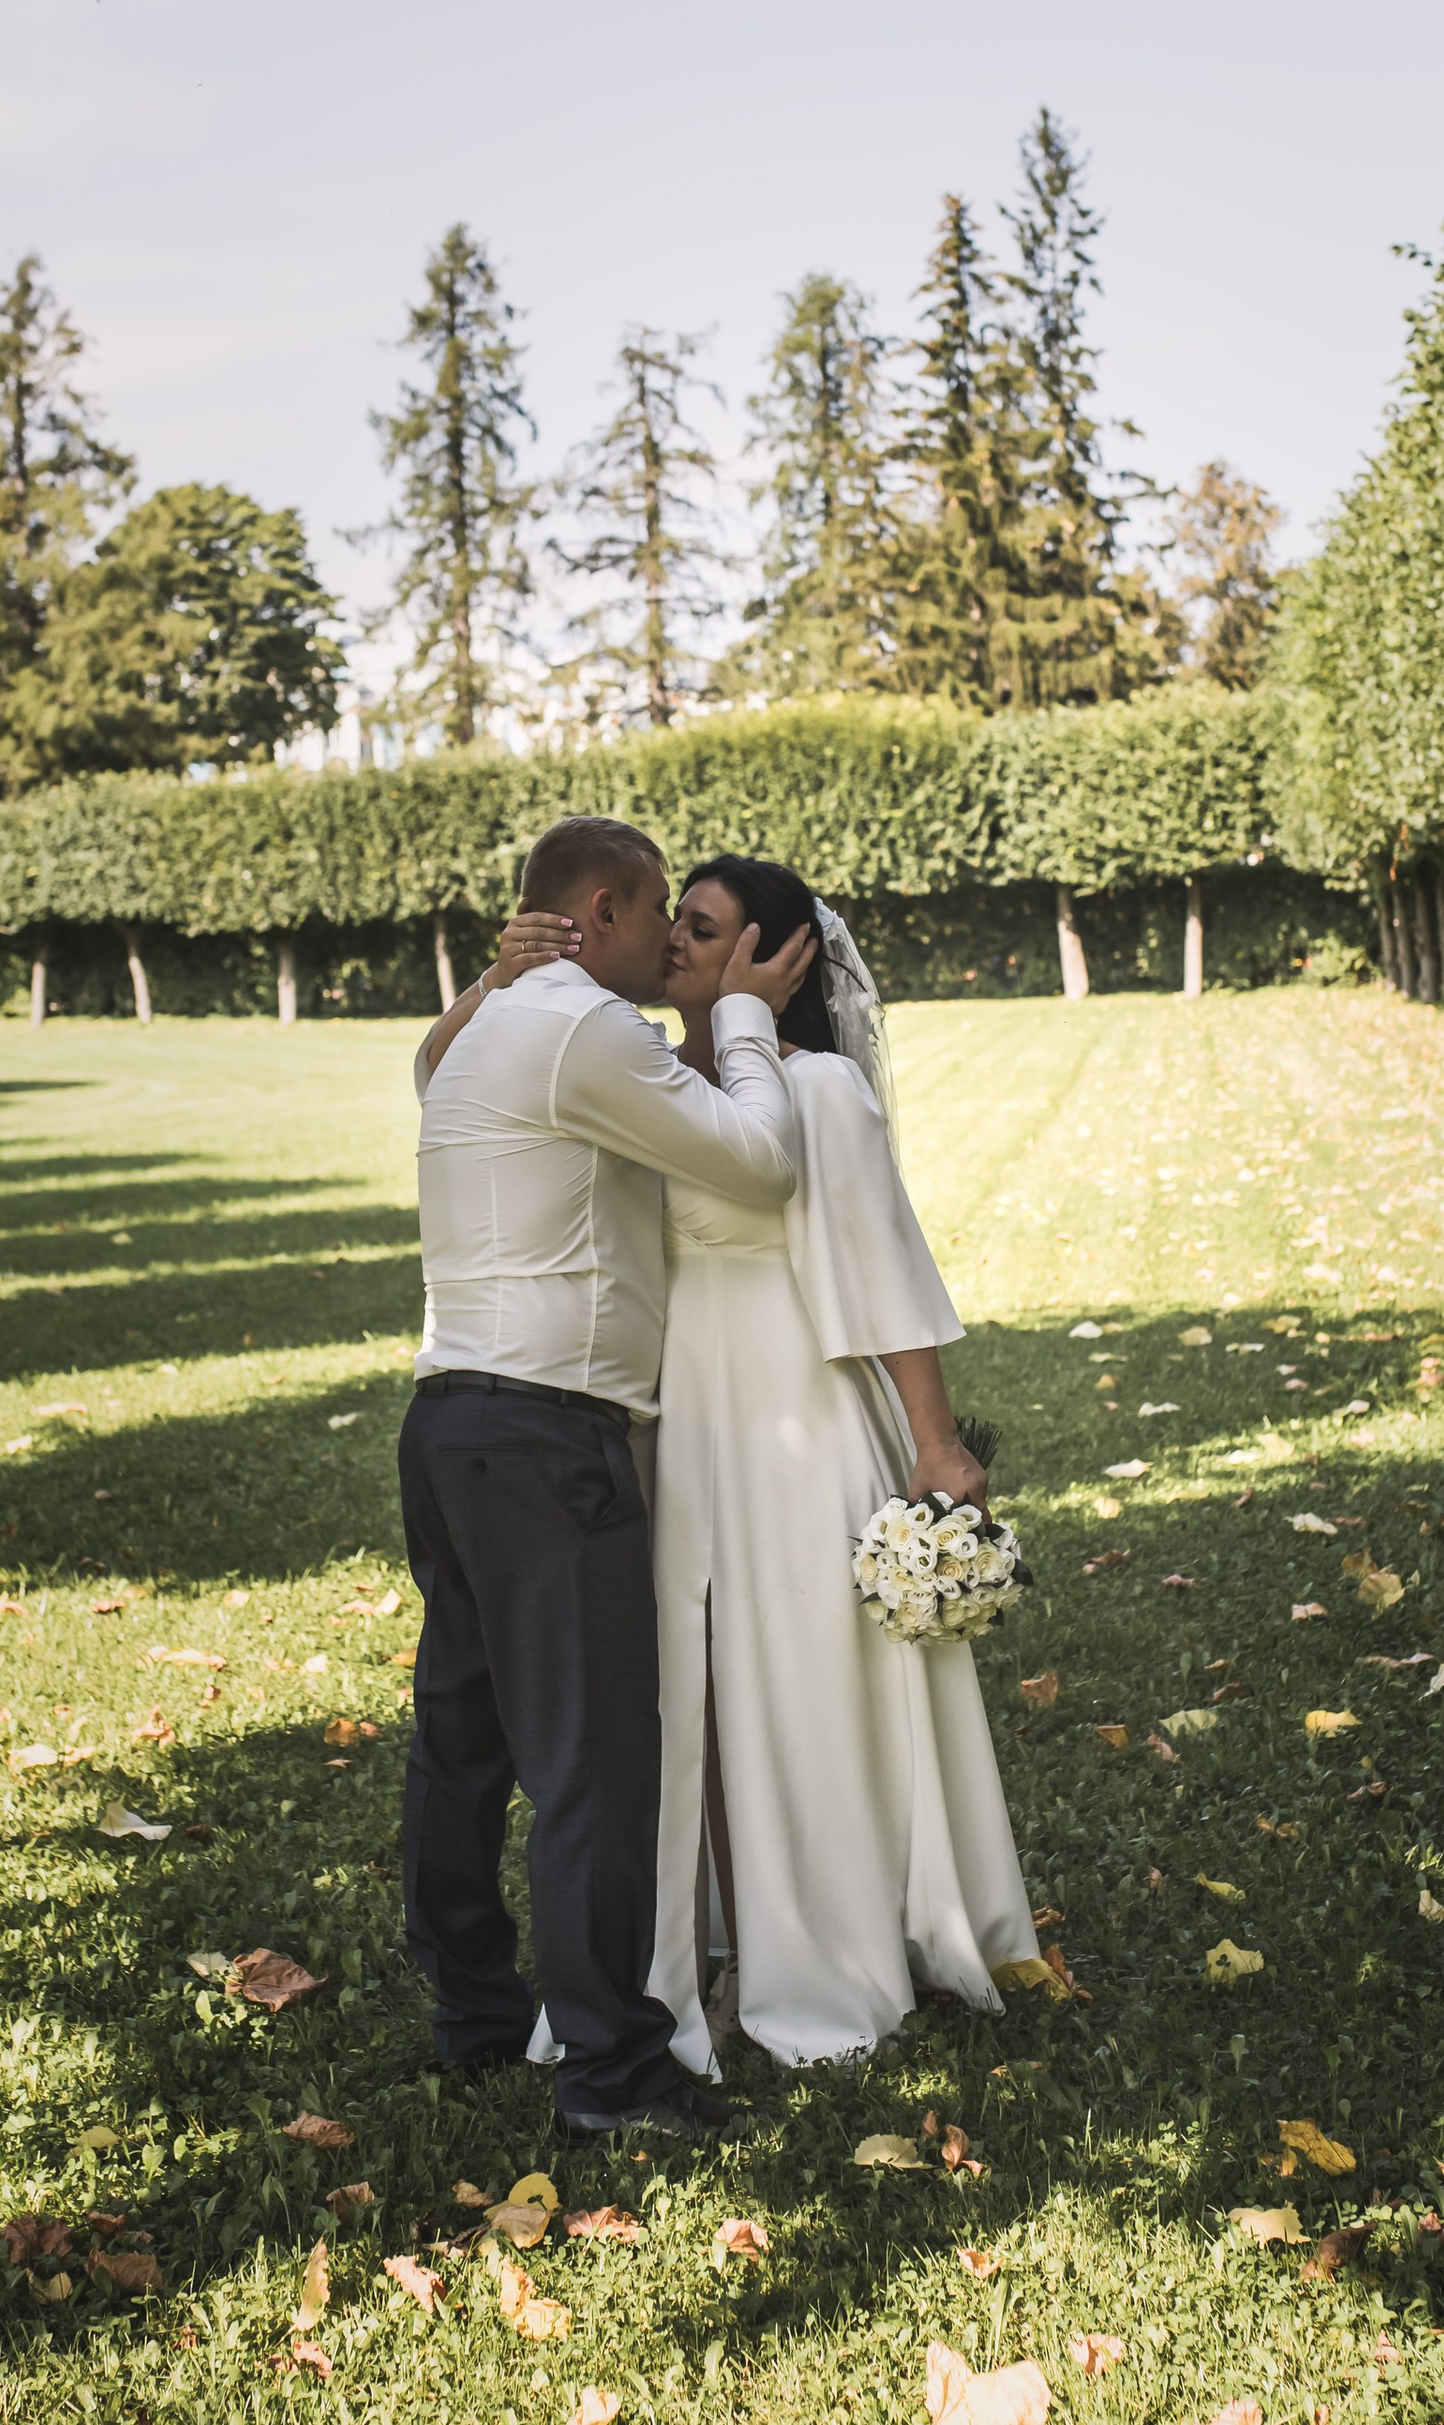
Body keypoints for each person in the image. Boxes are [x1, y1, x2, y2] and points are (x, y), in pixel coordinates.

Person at [421, 850, 1038, 2069]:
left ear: (776, 956)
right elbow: (448, 1081)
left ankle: (819, 1938)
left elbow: (885, 1270)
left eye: (703, 930)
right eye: (674, 923)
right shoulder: (641, 1069)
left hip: (791, 1409)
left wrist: (933, 1440)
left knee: (796, 1680)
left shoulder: (814, 1091)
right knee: (675, 1693)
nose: (675, 946)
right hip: (664, 1419)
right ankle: (688, 1942)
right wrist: (493, 983)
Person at [401, 811, 815, 2148]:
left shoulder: (490, 1028)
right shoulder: (585, 1028)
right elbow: (759, 1162)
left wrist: (490, 975)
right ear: (602, 909)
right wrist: (746, 1021)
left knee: (464, 1745)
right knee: (593, 1761)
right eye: (655, 917)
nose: (665, 943)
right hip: (547, 1435)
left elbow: (428, 1069)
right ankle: (611, 2073)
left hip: (448, 1420)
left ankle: (474, 2020)